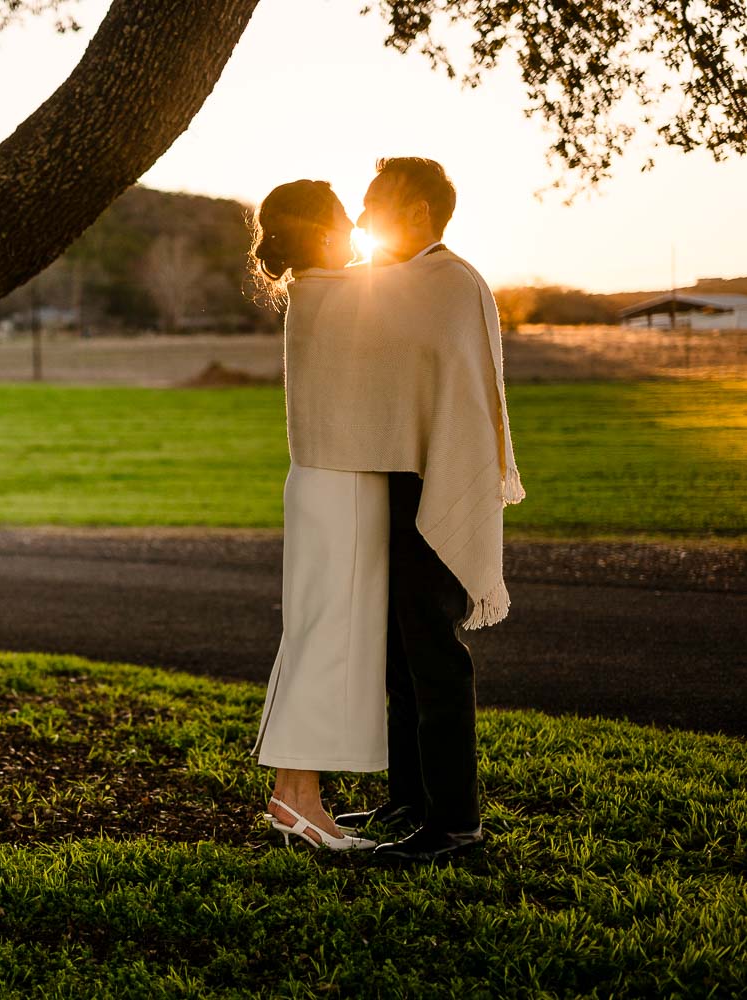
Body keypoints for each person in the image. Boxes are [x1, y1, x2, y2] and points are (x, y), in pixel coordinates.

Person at [290, 157, 525, 863]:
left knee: (434, 657)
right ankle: (411, 797)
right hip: (391, 487)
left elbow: (456, 400)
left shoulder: (451, 285)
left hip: (436, 486)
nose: (360, 221)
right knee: (396, 654)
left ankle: (456, 825)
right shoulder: (391, 285)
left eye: (372, 207)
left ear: (418, 213)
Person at [245, 179, 385, 852]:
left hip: (320, 485)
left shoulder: (312, 291)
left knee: (317, 637)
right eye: (346, 221)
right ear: (330, 234)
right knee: (326, 640)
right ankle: (297, 799)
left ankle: (297, 796)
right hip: (342, 489)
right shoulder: (346, 292)